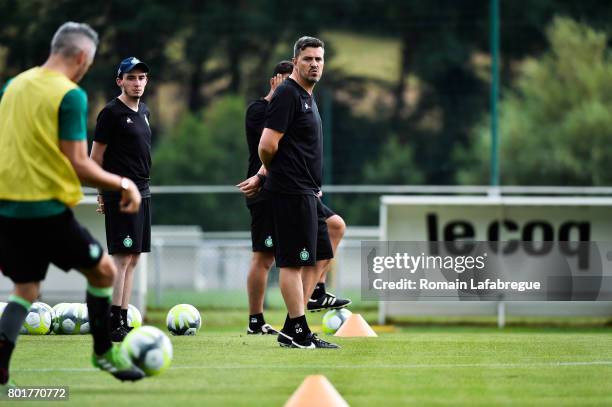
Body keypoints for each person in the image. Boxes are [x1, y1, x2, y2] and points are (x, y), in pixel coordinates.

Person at [0, 22, 145, 387]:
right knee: (104, 273)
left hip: (7, 209)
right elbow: (81, 165)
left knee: (26, 289)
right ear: (81, 57)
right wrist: (124, 184)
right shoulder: (70, 95)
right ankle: (104, 353)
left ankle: (1, 361)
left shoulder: (12, 87)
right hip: (46, 210)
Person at [238, 61, 350, 336]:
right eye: (288, 80)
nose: (293, 85)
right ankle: (257, 319)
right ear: (276, 81)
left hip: (301, 188)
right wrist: (264, 177)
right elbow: (270, 146)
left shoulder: (303, 100)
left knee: (334, 227)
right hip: (270, 191)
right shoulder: (261, 109)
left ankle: (308, 302)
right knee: (267, 258)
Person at [258, 36, 339, 349]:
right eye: (308, 59)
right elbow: (267, 145)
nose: (314, 64)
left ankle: (293, 327)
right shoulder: (288, 94)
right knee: (292, 263)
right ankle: (299, 332)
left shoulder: (306, 95)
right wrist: (274, 173)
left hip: (306, 192)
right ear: (295, 62)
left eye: (319, 59)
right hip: (290, 192)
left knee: (320, 250)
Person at [90, 57, 152, 342]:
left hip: (143, 191)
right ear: (120, 81)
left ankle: (122, 318)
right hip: (121, 193)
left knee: (134, 257)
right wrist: (102, 192)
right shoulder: (111, 113)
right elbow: (95, 159)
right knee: (122, 257)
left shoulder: (145, 111)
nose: (137, 83)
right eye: (131, 78)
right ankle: (112, 319)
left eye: (141, 78)